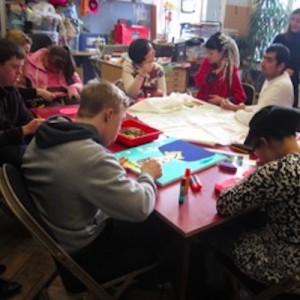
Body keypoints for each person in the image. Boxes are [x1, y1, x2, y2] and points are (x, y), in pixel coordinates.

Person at [22, 80, 179, 294]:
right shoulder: (91, 157)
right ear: (108, 115)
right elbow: (140, 207)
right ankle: (159, 284)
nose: (120, 129)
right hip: (85, 252)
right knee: (168, 228)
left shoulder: (50, 129)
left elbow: (75, 173)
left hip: (61, 234)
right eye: (121, 121)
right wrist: (147, 175)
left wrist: (109, 170)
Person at [217, 105, 300, 290]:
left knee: (212, 234)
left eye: (256, 151)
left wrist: (254, 175)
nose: (257, 159)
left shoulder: (279, 170)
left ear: (264, 142)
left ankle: (213, 288)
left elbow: (225, 204)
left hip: (285, 269)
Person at [0, 38, 44, 167]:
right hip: (5, 150)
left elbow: (25, 117)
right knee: (35, 156)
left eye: (21, 67)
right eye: (15, 67)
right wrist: (24, 130)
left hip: (13, 144)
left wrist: (39, 124)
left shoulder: (11, 90)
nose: (19, 73)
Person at [233, 44, 294, 125]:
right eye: (264, 58)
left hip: (272, 133)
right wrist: (243, 108)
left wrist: (238, 111)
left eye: (269, 60)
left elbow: (256, 120)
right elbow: (261, 108)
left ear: (281, 66)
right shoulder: (273, 77)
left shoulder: (280, 85)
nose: (263, 63)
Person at [193, 32, 246, 109]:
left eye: (211, 53)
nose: (207, 56)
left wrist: (222, 100)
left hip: (219, 110)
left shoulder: (230, 69)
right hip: (203, 105)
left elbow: (241, 96)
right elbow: (199, 82)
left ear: (222, 52)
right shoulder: (207, 62)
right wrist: (216, 72)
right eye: (206, 52)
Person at [6, 29, 56, 103]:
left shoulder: (25, 63)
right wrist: (37, 92)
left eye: (28, 52)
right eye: (24, 52)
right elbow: (10, 90)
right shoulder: (5, 68)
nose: (27, 56)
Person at [273, 8, 300, 108]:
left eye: (298, 21)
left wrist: (293, 70)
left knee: (289, 109)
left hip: (293, 79)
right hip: (277, 75)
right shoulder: (280, 38)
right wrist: (282, 70)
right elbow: (271, 55)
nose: (294, 23)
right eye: (292, 19)